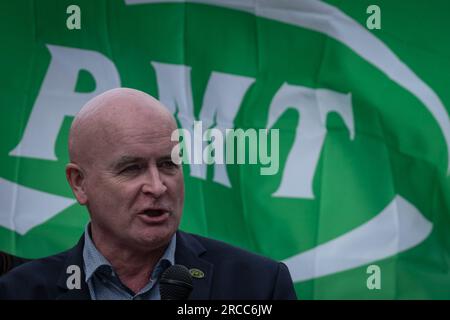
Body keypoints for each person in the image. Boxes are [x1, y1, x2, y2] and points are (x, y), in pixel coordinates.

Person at [0, 88, 297, 300]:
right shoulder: (19, 291)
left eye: (169, 164)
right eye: (131, 168)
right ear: (79, 183)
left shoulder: (258, 285)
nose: (157, 186)